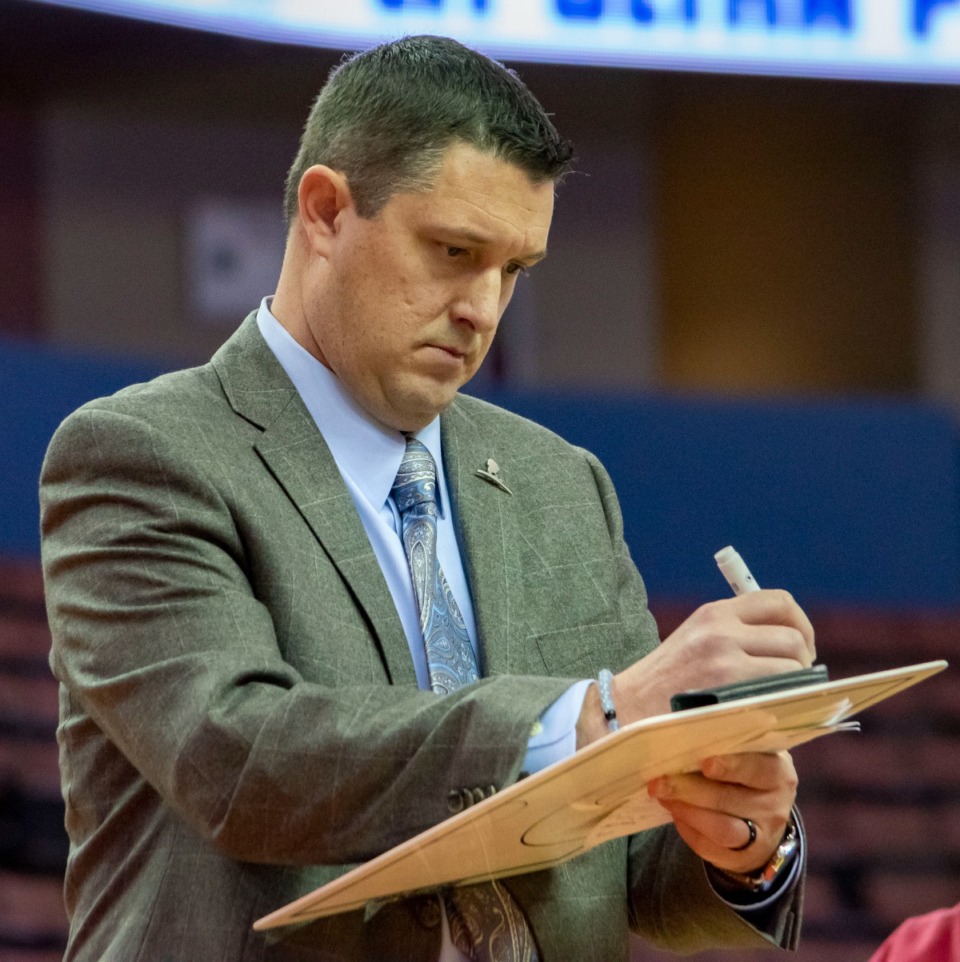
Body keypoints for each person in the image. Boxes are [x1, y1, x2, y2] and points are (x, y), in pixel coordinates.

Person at [39, 35, 815, 962]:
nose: (484, 307)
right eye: (453, 251)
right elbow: (238, 762)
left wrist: (741, 841)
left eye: (514, 270)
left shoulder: (562, 483)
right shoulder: (141, 453)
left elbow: (637, 869)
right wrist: (597, 716)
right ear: (325, 211)